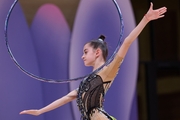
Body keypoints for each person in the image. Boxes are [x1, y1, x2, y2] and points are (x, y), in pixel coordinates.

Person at [20, 2, 167, 120]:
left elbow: (127, 42)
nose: (82, 56)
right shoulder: (86, 82)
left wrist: (146, 19)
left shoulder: (107, 70)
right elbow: (66, 98)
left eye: (85, 52)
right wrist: (40, 111)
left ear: (97, 52)